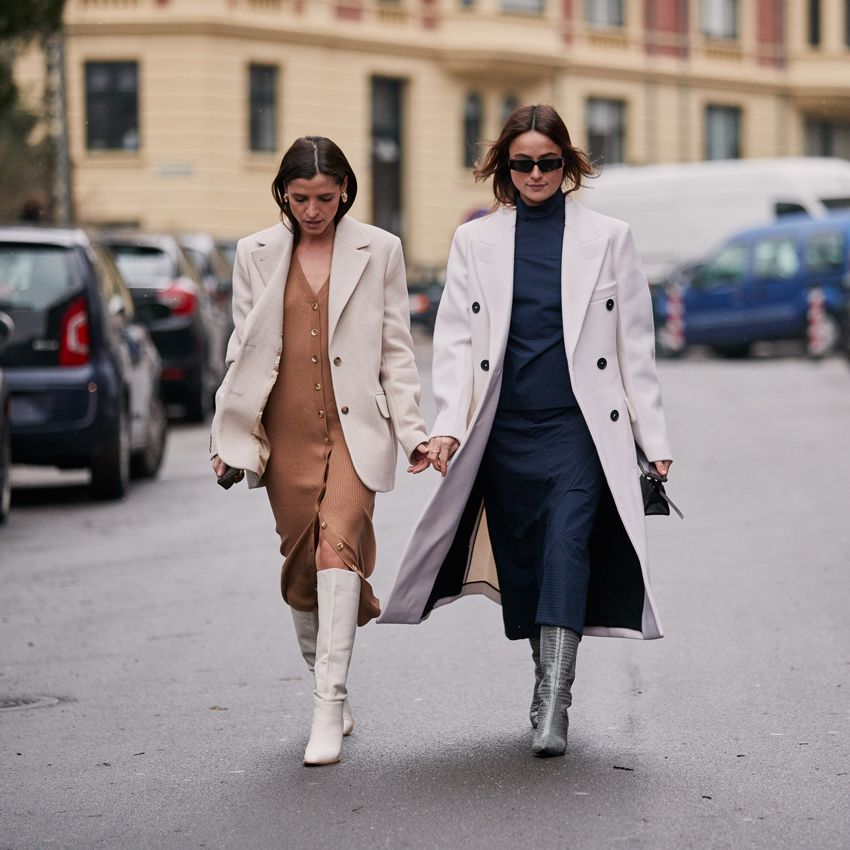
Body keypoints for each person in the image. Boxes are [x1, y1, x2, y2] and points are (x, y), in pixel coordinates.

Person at [379, 105, 673, 758]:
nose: (536, 174)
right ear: (504, 168)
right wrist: (448, 427)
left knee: (566, 549)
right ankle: (543, 676)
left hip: (579, 430)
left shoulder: (610, 237)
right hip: (503, 432)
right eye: (522, 163)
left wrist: (653, 441)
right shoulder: (475, 241)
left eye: (548, 162)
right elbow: (455, 343)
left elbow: (635, 346)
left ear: (568, 164)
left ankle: (556, 697)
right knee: (525, 565)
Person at [210, 136, 430, 766]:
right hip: (286, 433)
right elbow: (242, 351)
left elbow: (396, 350)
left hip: (357, 430)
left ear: (345, 192)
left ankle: (326, 708)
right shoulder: (254, 253)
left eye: (325, 198)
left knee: (337, 551)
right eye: (300, 198)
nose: (312, 211)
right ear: (283, 193)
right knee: (303, 566)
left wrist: (414, 432)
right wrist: (230, 438)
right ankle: (325, 681)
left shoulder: (380, 250)